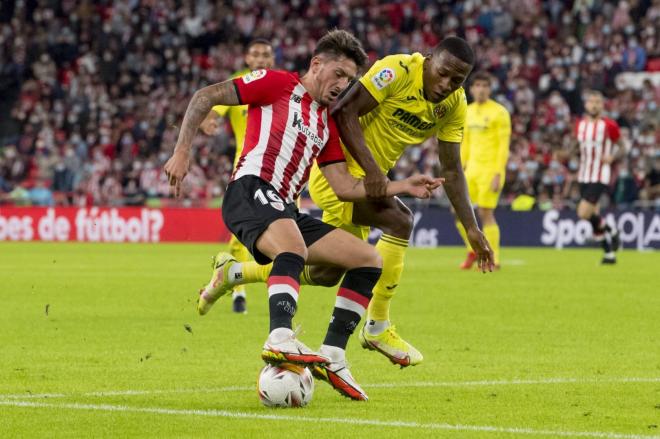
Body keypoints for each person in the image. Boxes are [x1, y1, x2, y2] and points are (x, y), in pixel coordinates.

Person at [164, 30, 443, 401]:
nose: (343, 84)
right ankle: (280, 337)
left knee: (367, 259)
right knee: (291, 247)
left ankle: (334, 354)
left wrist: (401, 186)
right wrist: (183, 150)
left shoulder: (326, 123)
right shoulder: (276, 82)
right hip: (249, 189)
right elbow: (206, 96)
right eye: (339, 74)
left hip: (285, 207)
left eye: (350, 80)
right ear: (316, 64)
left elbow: (343, 186)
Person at [230, 36, 495, 369]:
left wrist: (471, 227)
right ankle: (377, 325)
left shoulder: (453, 104)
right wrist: (373, 174)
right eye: (443, 73)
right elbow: (344, 111)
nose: (446, 84)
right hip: (338, 174)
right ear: (429, 59)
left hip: (368, 182)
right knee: (400, 219)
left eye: (457, 80)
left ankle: (236, 272)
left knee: (328, 272)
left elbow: (452, 169)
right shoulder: (395, 71)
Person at [198, 39, 275, 314]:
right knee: (240, 233)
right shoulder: (238, 83)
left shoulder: (281, 83)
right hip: (245, 167)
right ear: (246, 58)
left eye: (265, 54)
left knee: (291, 231)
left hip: (280, 168)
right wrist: (209, 118)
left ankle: (277, 291)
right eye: (255, 54)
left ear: (273, 58)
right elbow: (214, 105)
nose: (260, 59)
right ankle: (238, 292)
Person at [454, 71, 511, 270]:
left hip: (490, 170)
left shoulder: (500, 112)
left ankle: (493, 259)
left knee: (486, 213)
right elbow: (465, 143)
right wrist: (458, 169)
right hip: (471, 170)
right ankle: (473, 250)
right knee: (457, 212)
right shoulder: (467, 111)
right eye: (477, 85)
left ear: (490, 88)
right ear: (471, 89)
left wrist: (498, 173)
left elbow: (504, 146)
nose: (481, 89)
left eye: (484, 86)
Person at [570, 90, 622, 264]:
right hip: (584, 174)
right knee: (594, 218)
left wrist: (613, 157)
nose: (594, 105)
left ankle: (612, 229)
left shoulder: (609, 125)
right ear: (586, 105)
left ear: (602, 105)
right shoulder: (580, 124)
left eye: (597, 102)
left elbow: (623, 146)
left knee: (583, 213)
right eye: (591, 102)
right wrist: (566, 153)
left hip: (600, 175)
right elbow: (577, 145)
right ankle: (609, 255)